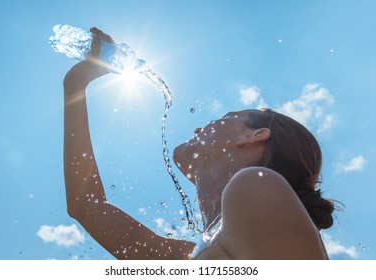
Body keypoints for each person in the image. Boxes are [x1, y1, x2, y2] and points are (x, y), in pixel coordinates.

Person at [62, 27, 335, 260]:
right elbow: (86, 206)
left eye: (227, 117)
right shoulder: (201, 254)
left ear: (254, 135)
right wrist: (76, 85)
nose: (198, 128)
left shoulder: (257, 183)